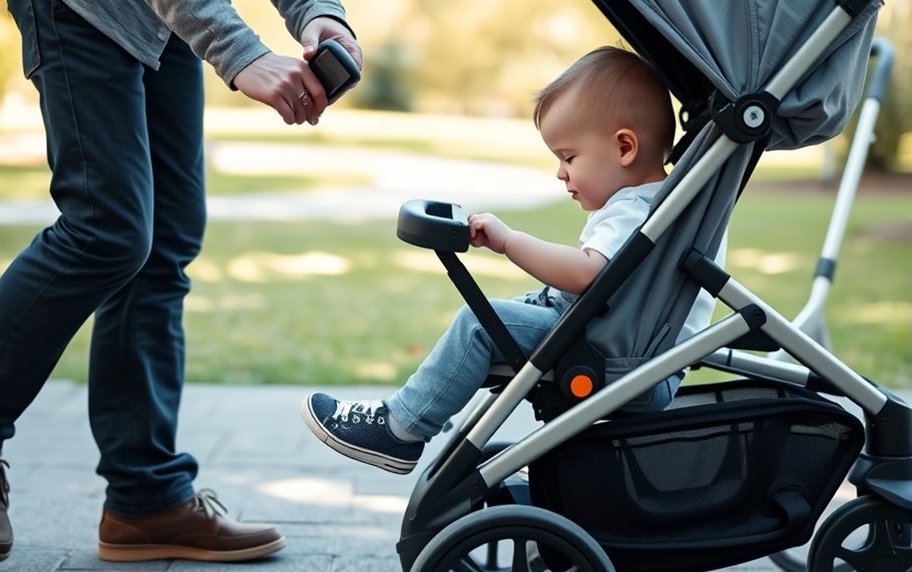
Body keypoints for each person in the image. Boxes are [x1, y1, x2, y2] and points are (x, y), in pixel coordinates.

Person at [0, 0, 361, 565]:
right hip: (83, 11)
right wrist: (243, 52)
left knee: (165, 244)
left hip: (165, 22)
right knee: (106, 229)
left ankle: (145, 500)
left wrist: (319, 14)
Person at [302, 46, 720, 475]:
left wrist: (509, 241)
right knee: (500, 319)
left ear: (625, 147)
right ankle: (423, 407)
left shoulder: (637, 209)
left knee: (480, 324)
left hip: (617, 360)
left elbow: (586, 273)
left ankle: (401, 429)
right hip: (622, 347)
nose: (561, 173)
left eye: (569, 157)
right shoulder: (657, 203)